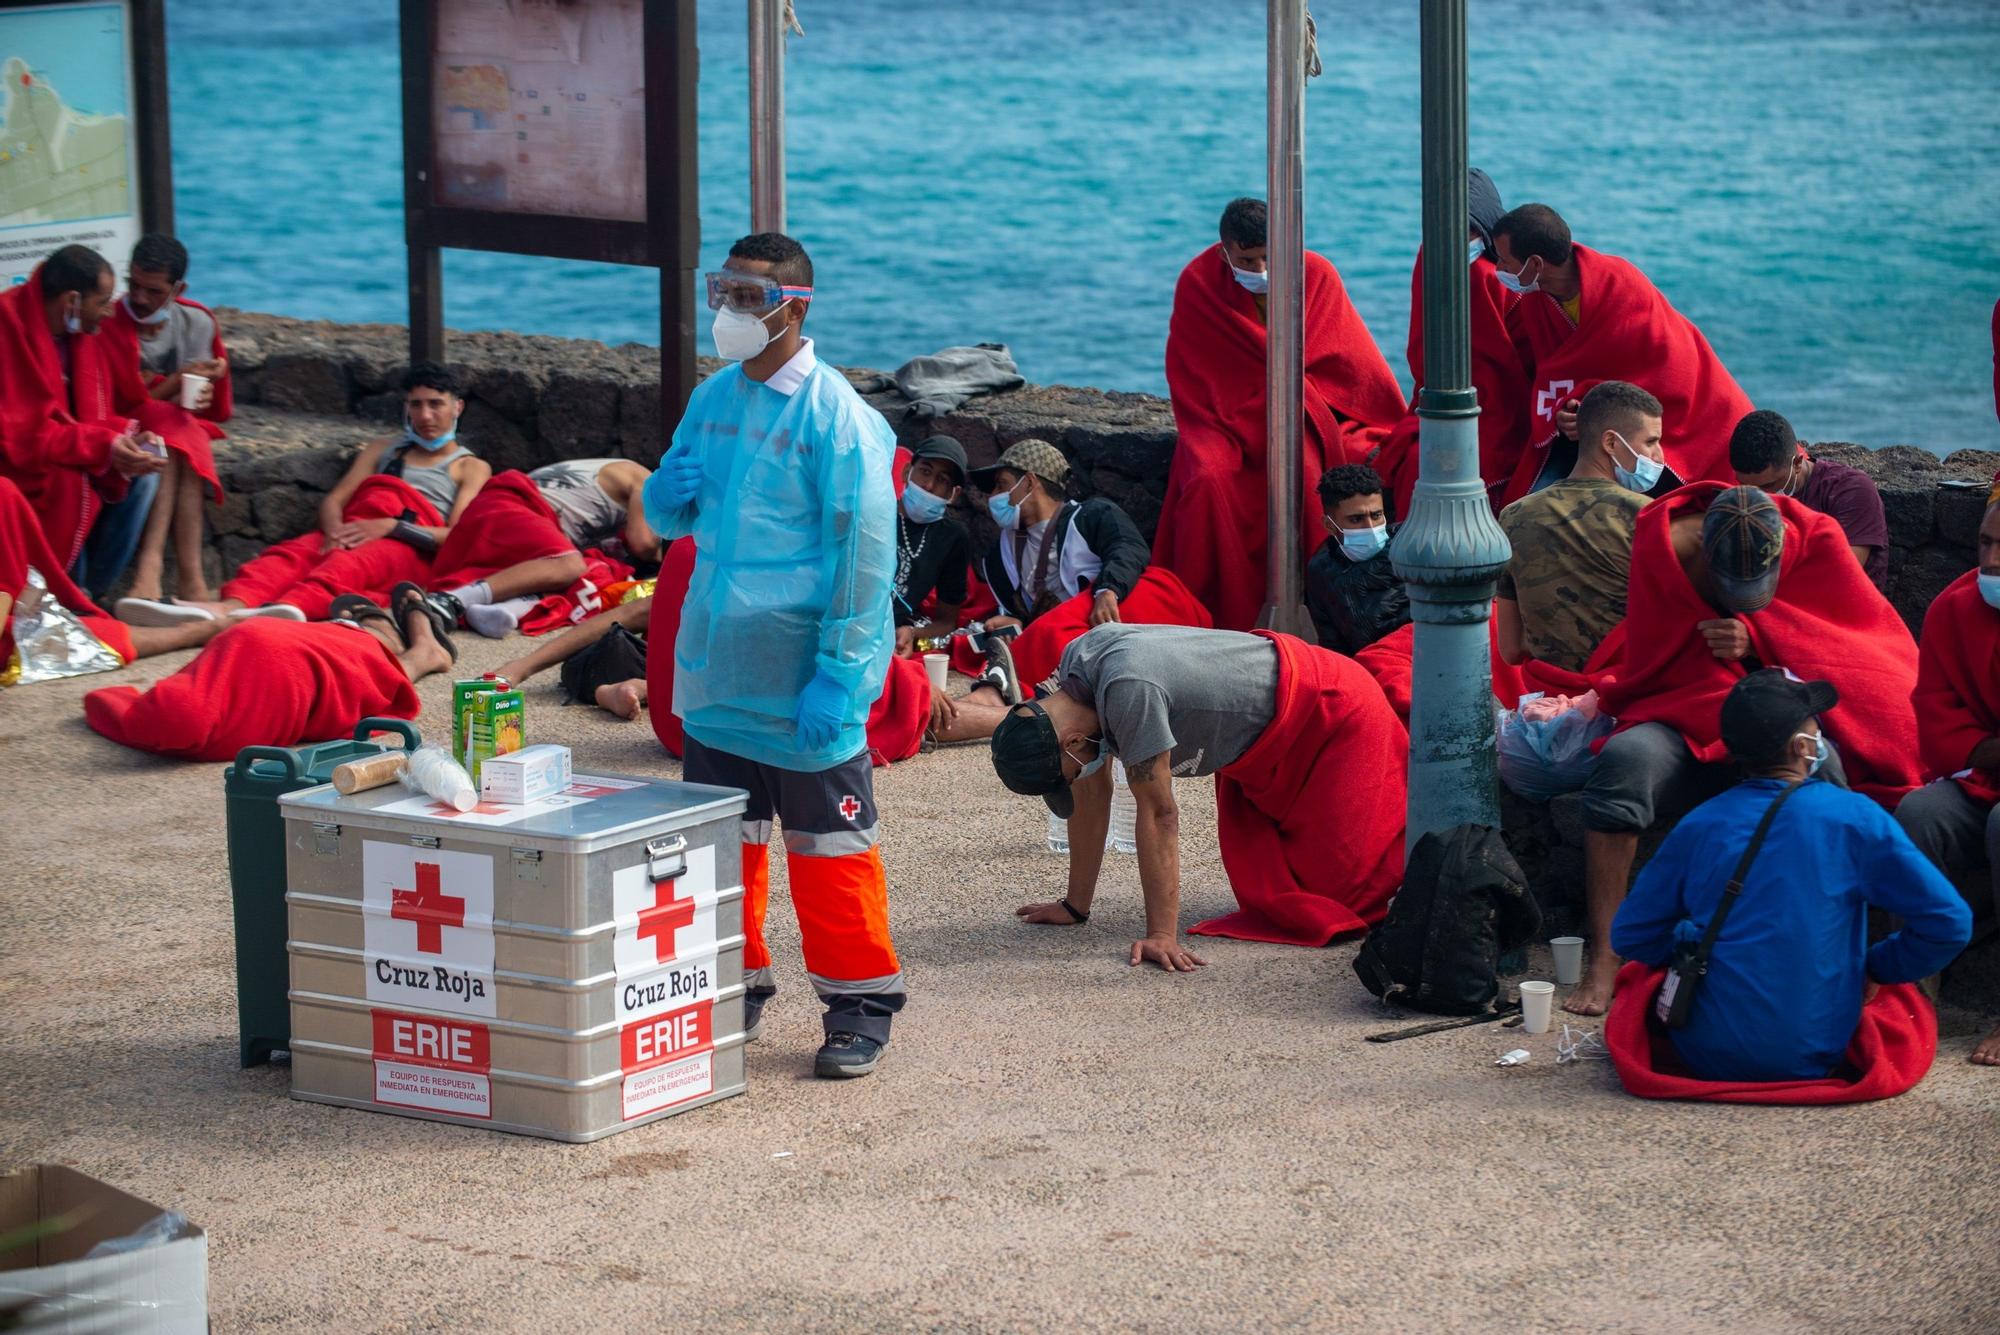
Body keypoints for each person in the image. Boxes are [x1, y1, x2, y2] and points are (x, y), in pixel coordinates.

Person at [642, 230, 904, 1079]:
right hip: (721, 667)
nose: (728, 311)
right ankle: (732, 981)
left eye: (748, 296)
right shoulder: (714, 400)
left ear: (794, 305)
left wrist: (844, 668)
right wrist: (662, 498)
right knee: (725, 845)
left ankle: (860, 1003)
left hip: (803, 676)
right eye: (722, 291)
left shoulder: (840, 420)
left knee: (830, 848)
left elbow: (864, 554)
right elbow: (680, 511)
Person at [1569, 484, 1923, 1016]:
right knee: (1627, 762)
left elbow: (1855, 645)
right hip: (1681, 711)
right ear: (1704, 551)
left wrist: (1758, 637)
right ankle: (1605, 956)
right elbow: (1658, 654)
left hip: (1775, 716)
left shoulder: (1818, 540)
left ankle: (1846, 953)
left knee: (1829, 775)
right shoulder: (1660, 544)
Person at [1611, 671, 1969, 1082]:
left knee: (1650, 970)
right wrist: (1876, 968)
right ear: (1803, 747)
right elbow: (1948, 923)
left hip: (1704, 1053)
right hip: (1815, 1051)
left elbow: (1632, 936)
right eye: (1816, 727)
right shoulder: (1857, 817)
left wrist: (1693, 939)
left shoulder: (1699, 824)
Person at [988, 624, 1408, 968]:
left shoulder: (1130, 691)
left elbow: (1159, 814)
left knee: (1347, 899)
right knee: (1280, 888)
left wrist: (1161, 935)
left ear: (1073, 740)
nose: (1081, 775)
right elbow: (1091, 794)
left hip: (1331, 706)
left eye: (1071, 770)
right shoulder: (1074, 677)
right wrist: (1074, 906)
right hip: (1269, 737)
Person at [1156, 198, 1408, 631]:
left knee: (1307, 468)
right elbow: (1197, 372)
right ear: (1224, 253)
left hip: (1306, 406)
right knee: (1207, 479)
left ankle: (1317, 602)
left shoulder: (1314, 273)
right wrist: (1250, 410)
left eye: (1269, 257)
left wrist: (1293, 402)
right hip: (1226, 414)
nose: (1260, 269)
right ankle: (1209, 615)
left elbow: (1345, 361)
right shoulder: (1198, 282)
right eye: (1247, 260)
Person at [116, 363, 491, 625]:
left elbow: (457, 535)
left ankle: (286, 607)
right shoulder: (384, 449)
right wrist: (333, 534)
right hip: (353, 530)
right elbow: (336, 500)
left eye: (435, 404)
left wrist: (391, 527)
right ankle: (227, 607)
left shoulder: (469, 466)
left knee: (347, 569)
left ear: (456, 407)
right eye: (416, 404)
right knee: (286, 556)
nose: (425, 415)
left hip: (407, 543)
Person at [1490, 204, 1750, 500]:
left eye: (1504, 260)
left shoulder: (1620, 287)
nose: (1499, 269)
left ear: (1535, 264)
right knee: (1535, 498)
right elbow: (1555, 374)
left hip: (1684, 411)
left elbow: (1661, 370)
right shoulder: (1535, 303)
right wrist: (1563, 414)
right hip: (1600, 426)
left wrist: (1589, 409)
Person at [957, 438, 1210, 710]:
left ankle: (1002, 688)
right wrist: (1014, 618)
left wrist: (1107, 591)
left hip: (1098, 620)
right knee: (1041, 634)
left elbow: (1128, 548)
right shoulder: (1000, 554)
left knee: (1148, 590)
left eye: (1002, 485)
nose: (993, 495)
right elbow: (1026, 610)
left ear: (1029, 483)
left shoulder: (1092, 516)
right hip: (1060, 634)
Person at [83, 584, 453, 761]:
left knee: (354, 675)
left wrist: (125, 704)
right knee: (348, 666)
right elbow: (111, 704)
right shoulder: (207, 731)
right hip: (277, 645)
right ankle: (399, 636)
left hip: (270, 648)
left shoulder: (210, 737)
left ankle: (404, 641)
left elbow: (105, 703)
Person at [0, 244, 183, 601]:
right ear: (71, 301)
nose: (109, 311)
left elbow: (90, 416)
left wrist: (125, 436)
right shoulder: (9, 327)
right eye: (101, 302)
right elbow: (22, 434)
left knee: (142, 477)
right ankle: (66, 594)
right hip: (23, 461)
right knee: (72, 480)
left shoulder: (81, 335)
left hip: (67, 445)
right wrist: (103, 445)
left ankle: (92, 593)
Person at [1895, 499, 2000, 1066]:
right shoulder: (1952, 610)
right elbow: (1937, 725)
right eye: (1985, 544)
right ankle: (1912, 991)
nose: (1991, 561)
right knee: (1918, 815)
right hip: (1983, 777)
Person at [1372, 167, 1533, 516]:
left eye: (1470, 229)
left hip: (1505, 409)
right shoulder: (1430, 258)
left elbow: (1527, 358)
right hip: (1438, 396)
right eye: (1446, 226)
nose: (1458, 237)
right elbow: (1421, 347)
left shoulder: (1502, 280)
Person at [99, 233, 233, 604]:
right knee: (174, 429)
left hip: (170, 427)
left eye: (153, 291)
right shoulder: (109, 322)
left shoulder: (196, 322)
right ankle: (184, 577)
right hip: (124, 423)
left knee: (176, 431)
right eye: (134, 286)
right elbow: (113, 402)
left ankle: (155, 574)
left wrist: (204, 388)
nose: (139, 299)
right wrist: (171, 384)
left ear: (178, 288)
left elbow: (200, 403)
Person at [1494, 381, 1661, 673]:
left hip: (1547, 701)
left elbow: (1511, 649)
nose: (1659, 455)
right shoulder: (1648, 516)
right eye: (1651, 441)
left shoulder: (1513, 516)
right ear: (1610, 443)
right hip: (1624, 696)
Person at [425, 457, 658, 638]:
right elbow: (643, 544)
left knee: (595, 575)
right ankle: (451, 600)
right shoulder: (647, 480)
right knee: (570, 565)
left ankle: (503, 609)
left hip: (531, 538)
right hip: (512, 503)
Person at [1728, 410, 1888, 591]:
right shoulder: (1743, 497)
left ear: (1797, 463)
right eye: (1745, 486)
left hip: (1841, 606)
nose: (1757, 496)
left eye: (1768, 486)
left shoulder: (1850, 489)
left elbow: (1840, 572)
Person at [1305, 463, 1408, 656]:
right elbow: (1333, 646)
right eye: (1356, 519)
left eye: (1377, 515)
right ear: (1329, 525)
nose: (1370, 527)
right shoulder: (1321, 571)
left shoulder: (1410, 544)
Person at [892, 435, 971, 658]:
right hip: (850, 627)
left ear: (954, 495)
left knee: (951, 645)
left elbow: (946, 623)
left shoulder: (953, 537)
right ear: (907, 472)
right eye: (925, 471)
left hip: (896, 636)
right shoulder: (874, 512)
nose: (929, 486)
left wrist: (914, 636)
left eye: (943, 480)